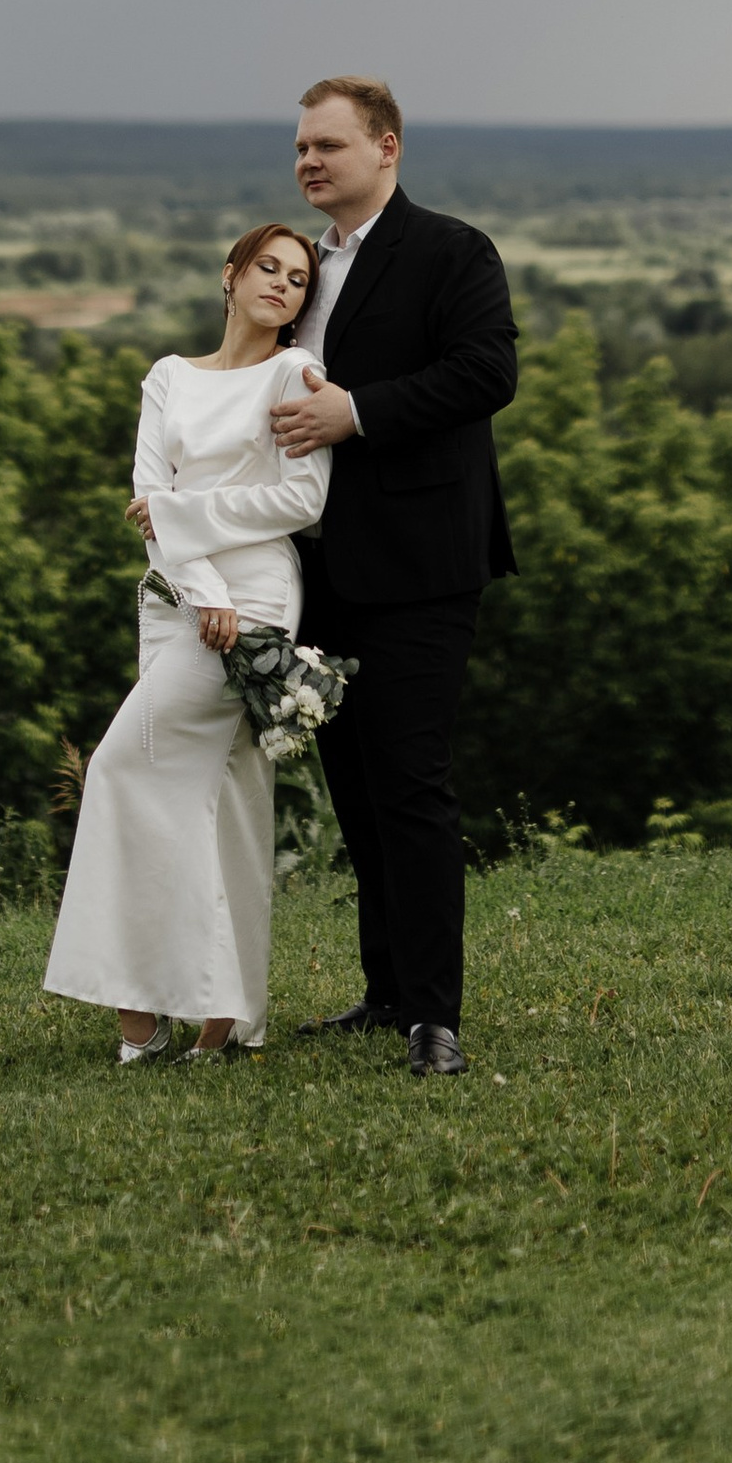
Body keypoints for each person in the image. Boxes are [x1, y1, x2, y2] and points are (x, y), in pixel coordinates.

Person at [268, 76, 518, 1076]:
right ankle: (382, 994)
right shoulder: (293, 270)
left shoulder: (452, 252)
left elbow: (486, 374)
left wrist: (356, 413)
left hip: (419, 568)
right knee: (356, 790)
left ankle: (435, 1020)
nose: (309, 162)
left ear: (387, 149)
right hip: (314, 569)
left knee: (411, 787)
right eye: (299, 148)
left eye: (328, 145)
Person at [42, 223, 331, 1059]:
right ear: (231, 276)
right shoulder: (169, 377)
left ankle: (141, 1011)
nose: (283, 285)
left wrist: (187, 527)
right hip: (178, 600)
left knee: (122, 767)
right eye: (268, 268)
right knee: (224, 800)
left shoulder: (295, 374)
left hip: (258, 598)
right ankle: (226, 1015)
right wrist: (198, 585)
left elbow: (299, 500)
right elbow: (147, 495)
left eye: (300, 279)